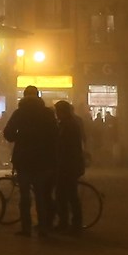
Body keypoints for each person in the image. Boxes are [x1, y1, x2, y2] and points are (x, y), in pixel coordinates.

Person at [2, 86, 57, 236]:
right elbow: (54, 135)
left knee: (25, 196)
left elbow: (8, 133)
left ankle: (26, 227)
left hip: (23, 159)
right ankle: (43, 227)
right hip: (42, 160)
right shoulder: (47, 113)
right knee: (41, 195)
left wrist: (20, 137)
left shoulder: (20, 113)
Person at [51, 98, 87, 233]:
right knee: (67, 195)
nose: (57, 114)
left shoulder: (68, 125)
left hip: (68, 165)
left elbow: (66, 147)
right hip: (69, 165)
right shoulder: (69, 123)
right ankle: (69, 222)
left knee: (67, 195)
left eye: (58, 111)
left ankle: (70, 223)